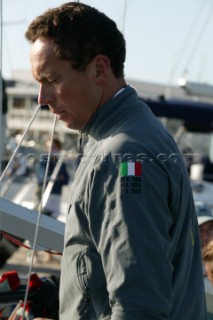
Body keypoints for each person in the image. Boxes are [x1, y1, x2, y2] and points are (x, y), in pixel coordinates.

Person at [25, 2, 207, 319]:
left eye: (51, 79)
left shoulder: (121, 155)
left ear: (99, 70)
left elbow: (138, 308)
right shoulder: (140, 130)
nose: (43, 99)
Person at [36, 138, 69, 220]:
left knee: (53, 218)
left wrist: (57, 179)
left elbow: (66, 180)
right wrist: (58, 178)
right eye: (49, 148)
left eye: (53, 147)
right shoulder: (44, 161)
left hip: (56, 195)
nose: (51, 150)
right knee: (42, 218)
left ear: (59, 148)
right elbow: (42, 178)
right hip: (44, 195)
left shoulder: (61, 163)